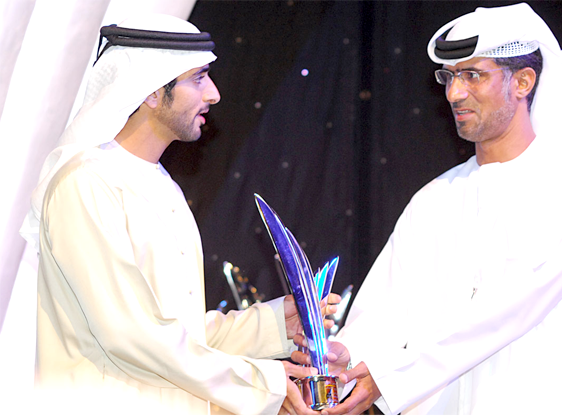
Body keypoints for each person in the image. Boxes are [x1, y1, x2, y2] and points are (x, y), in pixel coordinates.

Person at [292, 3, 562, 415]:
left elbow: (502, 314)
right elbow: (387, 309)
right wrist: (347, 356)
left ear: (523, 81)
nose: (454, 93)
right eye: (449, 76)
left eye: (473, 75)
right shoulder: (436, 198)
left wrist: (389, 377)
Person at [21, 14, 336, 415]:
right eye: (199, 78)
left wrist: (274, 325)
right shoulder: (85, 183)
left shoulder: (161, 185)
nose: (214, 94)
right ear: (153, 90)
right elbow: (133, 336)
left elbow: (180, 335)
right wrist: (265, 385)